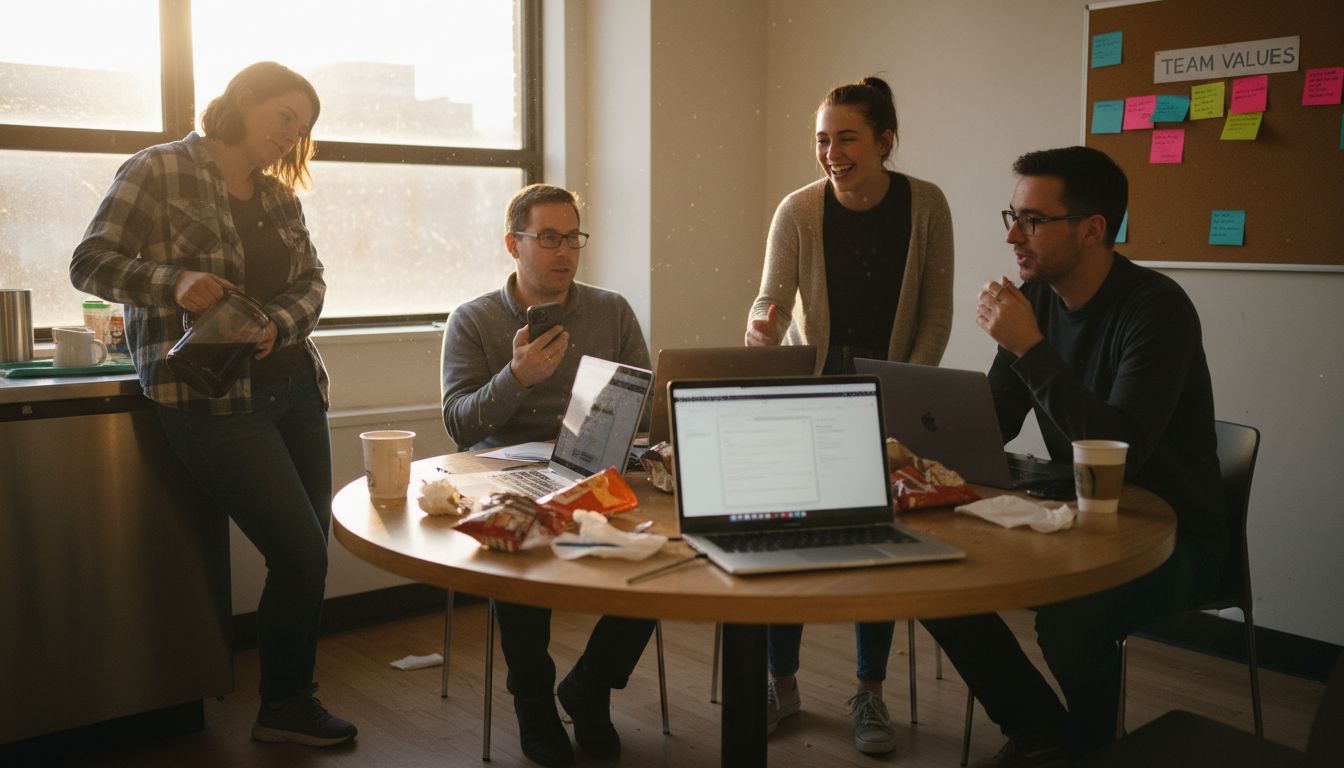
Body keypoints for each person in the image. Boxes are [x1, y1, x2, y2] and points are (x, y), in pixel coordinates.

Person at [69, 62, 356, 747]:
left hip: (294, 390)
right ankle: (286, 705)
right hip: (209, 401)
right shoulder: (159, 169)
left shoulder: (281, 197)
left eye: (304, 127)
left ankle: (286, 702)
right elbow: (90, 262)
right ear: (242, 101)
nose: (292, 135)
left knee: (306, 551)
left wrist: (277, 324)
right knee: (300, 552)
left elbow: (313, 281)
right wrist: (176, 280)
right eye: (284, 115)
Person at [922, 145, 1227, 767]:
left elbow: (1123, 450)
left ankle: (1094, 752)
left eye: (1032, 220)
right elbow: (996, 422)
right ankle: (1043, 732)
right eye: (1010, 216)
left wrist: (1030, 349)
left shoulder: (1156, 308)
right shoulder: (1033, 301)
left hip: (1170, 534)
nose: (1013, 235)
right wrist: (921, 443)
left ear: (1091, 230)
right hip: (1079, 518)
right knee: (929, 578)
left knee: (1071, 621)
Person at [743, 75, 954, 756]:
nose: (831, 152)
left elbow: (935, 312)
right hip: (810, 399)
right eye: (822, 140)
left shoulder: (927, 206)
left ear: (885, 140)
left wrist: (900, 389)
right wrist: (763, 333)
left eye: (847, 138)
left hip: (889, 403)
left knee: (875, 556)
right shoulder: (799, 210)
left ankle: (870, 692)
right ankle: (782, 684)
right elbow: (768, 305)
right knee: (785, 551)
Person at [440, 183, 654, 768]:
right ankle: (533, 703)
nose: (564, 253)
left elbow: (647, 406)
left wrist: (614, 419)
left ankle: (590, 686)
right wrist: (517, 376)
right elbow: (460, 425)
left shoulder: (611, 310)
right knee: (520, 558)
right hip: (505, 477)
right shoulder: (474, 320)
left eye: (573, 239)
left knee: (658, 559)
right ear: (514, 244)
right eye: (549, 239)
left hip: (593, 472)